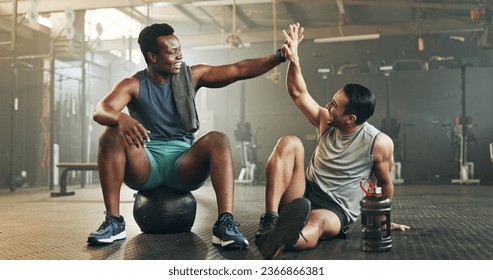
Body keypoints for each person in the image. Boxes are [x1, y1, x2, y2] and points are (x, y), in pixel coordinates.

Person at [87, 23, 288, 250]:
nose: (180, 55)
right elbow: (100, 110)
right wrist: (121, 118)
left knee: (218, 139)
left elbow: (239, 69)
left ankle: (225, 224)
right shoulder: (133, 84)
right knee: (110, 133)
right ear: (152, 57)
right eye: (172, 52)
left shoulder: (192, 76)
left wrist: (280, 56)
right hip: (145, 163)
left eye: (179, 49)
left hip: (183, 164)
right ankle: (114, 222)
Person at [255, 23, 410, 259]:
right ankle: (270, 221)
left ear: (350, 118)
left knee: (316, 221)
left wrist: (382, 221)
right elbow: (298, 93)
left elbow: (385, 183)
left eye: (334, 105)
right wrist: (294, 59)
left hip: (335, 209)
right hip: (305, 191)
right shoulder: (325, 120)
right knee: (289, 142)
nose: (327, 106)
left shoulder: (378, 142)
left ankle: (283, 240)